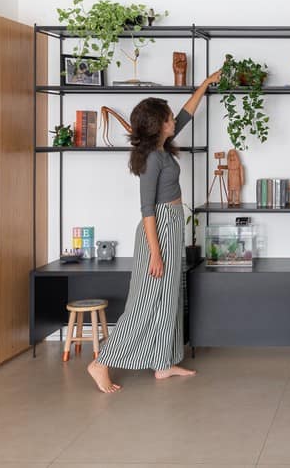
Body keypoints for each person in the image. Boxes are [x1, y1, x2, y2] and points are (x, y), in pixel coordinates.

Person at [87, 69, 221, 393]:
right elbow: (147, 210)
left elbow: (187, 114)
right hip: (157, 230)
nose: (173, 120)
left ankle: (162, 363)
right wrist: (156, 253)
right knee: (146, 302)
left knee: (168, 297)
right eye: (168, 117)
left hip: (172, 224)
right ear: (157, 124)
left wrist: (205, 84)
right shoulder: (151, 159)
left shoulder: (163, 146)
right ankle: (101, 362)